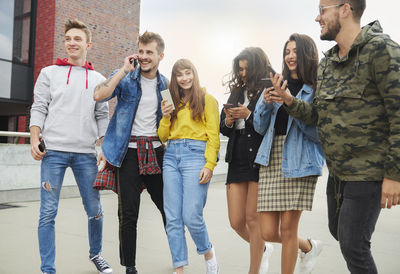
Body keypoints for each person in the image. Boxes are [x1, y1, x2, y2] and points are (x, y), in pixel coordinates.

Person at [270, 1, 400, 273]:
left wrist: (394, 174)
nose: (318, 18)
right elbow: (317, 115)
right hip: (338, 173)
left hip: (368, 172)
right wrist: (289, 101)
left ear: (345, 9)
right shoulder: (327, 63)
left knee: (353, 245)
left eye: (322, 10)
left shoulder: (381, 50)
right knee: (340, 233)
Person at [29, 19, 112, 274]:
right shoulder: (49, 73)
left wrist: (103, 145)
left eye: (77, 39)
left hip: (85, 155)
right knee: (47, 213)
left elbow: (102, 114)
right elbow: (39, 107)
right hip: (52, 152)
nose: (71, 43)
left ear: (88, 44)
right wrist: (34, 138)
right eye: (68, 39)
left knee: (95, 210)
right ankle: (47, 269)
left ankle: (96, 254)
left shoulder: (98, 78)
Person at [93, 31, 167, 274]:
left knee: (170, 209)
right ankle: (130, 267)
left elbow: (172, 117)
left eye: (150, 52)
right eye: (141, 51)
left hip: (156, 152)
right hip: (129, 154)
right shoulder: (125, 77)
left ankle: (179, 258)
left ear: (160, 55)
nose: (144, 57)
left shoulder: (166, 84)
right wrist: (123, 70)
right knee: (128, 214)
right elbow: (99, 95)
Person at [253, 34, 325, 274]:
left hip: (300, 159)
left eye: (295, 51)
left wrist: (290, 102)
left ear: (307, 54)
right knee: (267, 232)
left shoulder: (316, 87)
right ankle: (309, 247)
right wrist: (264, 102)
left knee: (287, 230)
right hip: (271, 158)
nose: (290, 56)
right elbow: (260, 127)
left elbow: (318, 130)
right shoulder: (277, 83)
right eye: (287, 51)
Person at [158, 59, 220, 274]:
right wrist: (165, 117)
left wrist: (210, 164)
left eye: (188, 73)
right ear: (174, 78)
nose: (184, 78)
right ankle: (179, 268)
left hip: (196, 156)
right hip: (171, 156)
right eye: (179, 75)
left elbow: (213, 136)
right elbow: (163, 136)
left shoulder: (207, 100)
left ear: (194, 74)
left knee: (191, 215)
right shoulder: (169, 99)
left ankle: (208, 251)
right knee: (173, 218)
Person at [220, 47, 274, 274]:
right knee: (236, 221)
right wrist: (230, 120)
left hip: (257, 156)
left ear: (257, 67)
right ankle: (262, 248)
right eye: (239, 69)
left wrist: (248, 116)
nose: (242, 73)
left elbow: (271, 126)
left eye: (246, 69)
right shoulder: (236, 91)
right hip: (236, 156)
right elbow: (223, 128)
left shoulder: (268, 89)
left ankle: (254, 270)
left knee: (253, 220)